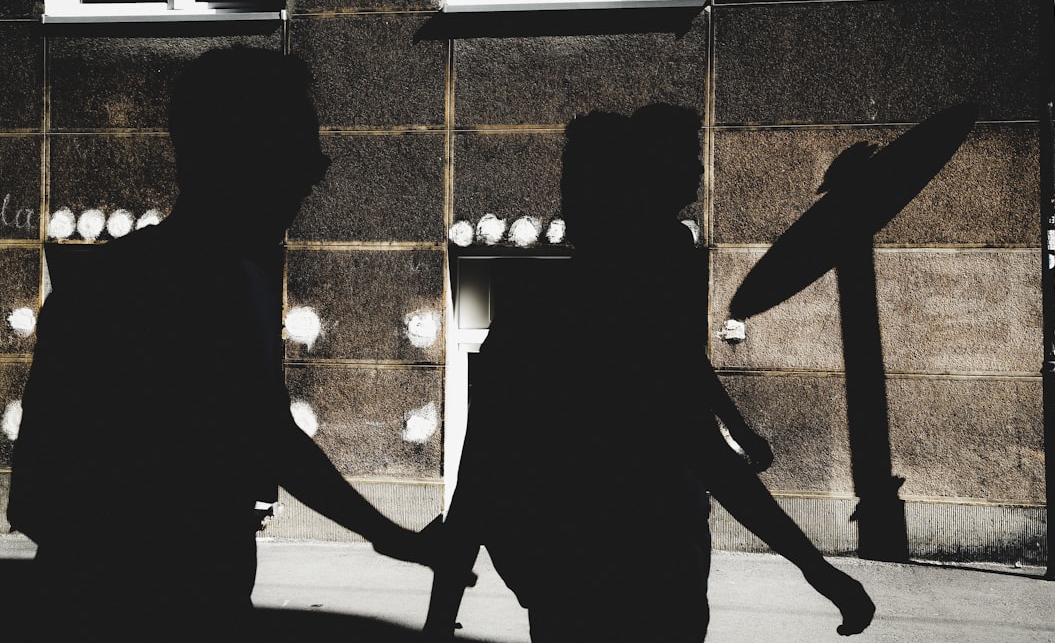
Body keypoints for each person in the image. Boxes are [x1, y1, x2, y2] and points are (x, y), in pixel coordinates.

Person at [8, 47, 440, 641]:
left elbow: (35, 496)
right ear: (242, 158)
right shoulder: (228, 291)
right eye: (297, 148)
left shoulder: (106, 288)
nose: (315, 171)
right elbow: (271, 438)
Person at [424, 105, 874, 642]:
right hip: (651, 579)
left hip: (573, 585)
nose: (700, 172)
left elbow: (479, 478)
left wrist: (438, 620)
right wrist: (816, 568)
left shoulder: (533, 314)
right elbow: (703, 443)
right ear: (638, 194)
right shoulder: (634, 310)